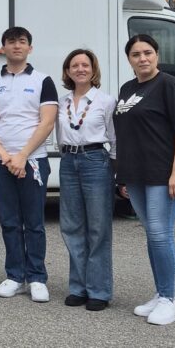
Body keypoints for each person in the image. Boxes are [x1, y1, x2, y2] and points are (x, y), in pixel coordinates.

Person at [113, 34, 175, 326]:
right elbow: (126, 134)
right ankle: (161, 294)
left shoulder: (168, 85)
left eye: (147, 52)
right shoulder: (127, 88)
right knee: (152, 235)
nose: (142, 58)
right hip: (136, 174)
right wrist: (123, 174)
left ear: (156, 55)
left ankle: (170, 300)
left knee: (161, 235)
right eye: (136, 54)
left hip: (163, 174)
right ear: (129, 59)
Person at [0, 26, 58, 303]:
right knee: (10, 221)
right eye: (11, 42)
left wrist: (22, 155)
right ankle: (14, 275)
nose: (16, 46)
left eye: (22, 42)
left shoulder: (42, 80)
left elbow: (47, 121)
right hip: (0, 161)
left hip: (33, 160)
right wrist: (4, 155)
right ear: (3, 48)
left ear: (30, 48)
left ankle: (36, 277)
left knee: (34, 222)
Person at [56, 48, 117, 312]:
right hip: (69, 162)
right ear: (68, 71)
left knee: (98, 228)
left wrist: (114, 170)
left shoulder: (105, 101)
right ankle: (78, 287)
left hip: (95, 161)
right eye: (74, 65)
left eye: (85, 65)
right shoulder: (62, 101)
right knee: (71, 226)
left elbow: (114, 139)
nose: (80, 69)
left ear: (93, 70)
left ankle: (99, 291)